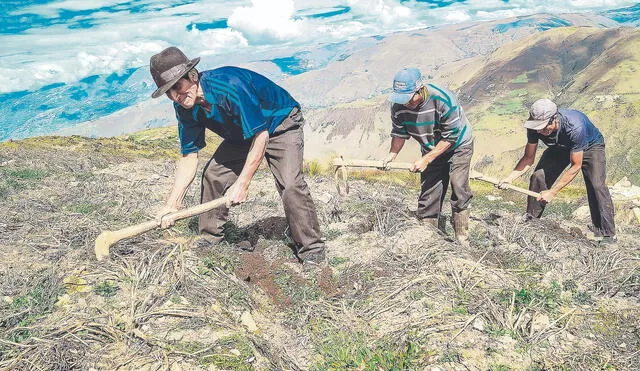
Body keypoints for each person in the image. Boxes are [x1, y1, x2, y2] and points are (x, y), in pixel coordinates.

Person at [148, 46, 326, 263]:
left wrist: (242, 183)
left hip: (280, 123)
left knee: (290, 184)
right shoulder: (184, 107)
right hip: (242, 132)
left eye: (178, 85)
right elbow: (189, 156)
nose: (176, 95)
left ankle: (312, 250)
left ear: (192, 75)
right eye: (169, 92)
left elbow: (261, 136)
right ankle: (210, 238)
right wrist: (172, 204)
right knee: (213, 175)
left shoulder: (230, 85)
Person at [499, 98, 616, 242]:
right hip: (560, 146)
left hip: (591, 146)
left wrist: (552, 192)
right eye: (538, 128)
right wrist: (510, 178)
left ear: (554, 119)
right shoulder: (534, 128)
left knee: (596, 184)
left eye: (544, 127)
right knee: (538, 176)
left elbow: (575, 166)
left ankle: (607, 234)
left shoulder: (575, 127)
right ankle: (531, 221)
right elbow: (529, 157)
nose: (540, 131)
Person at [383, 67, 474, 246]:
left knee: (458, 183)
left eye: (409, 98)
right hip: (430, 146)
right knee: (430, 189)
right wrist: (392, 155)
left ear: (420, 90)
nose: (406, 103)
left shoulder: (444, 100)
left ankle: (462, 237)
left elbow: (451, 137)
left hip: (458, 145)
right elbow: (399, 133)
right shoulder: (398, 107)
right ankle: (428, 232)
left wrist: (426, 159)